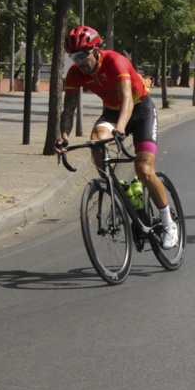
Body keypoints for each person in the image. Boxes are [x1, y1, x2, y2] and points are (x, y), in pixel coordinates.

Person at [54, 26, 177, 250]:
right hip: (112, 112)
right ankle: (119, 188)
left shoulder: (114, 61)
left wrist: (120, 129)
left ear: (96, 50)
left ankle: (168, 223)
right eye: (73, 57)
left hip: (140, 110)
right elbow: (69, 109)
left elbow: (128, 98)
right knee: (97, 143)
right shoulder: (75, 73)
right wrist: (63, 137)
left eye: (83, 55)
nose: (79, 61)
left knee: (144, 170)